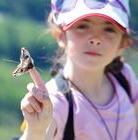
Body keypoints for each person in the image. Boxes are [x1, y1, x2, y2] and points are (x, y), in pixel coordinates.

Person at [19, 0, 138, 140]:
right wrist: (36, 130)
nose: (96, 39)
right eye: (83, 26)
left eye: (109, 29)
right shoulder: (55, 101)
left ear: (123, 43)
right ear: (60, 35)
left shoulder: (124, 76)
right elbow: (43, 133)